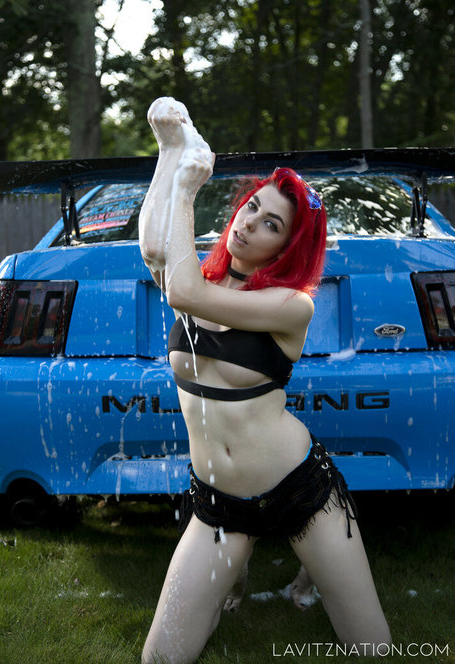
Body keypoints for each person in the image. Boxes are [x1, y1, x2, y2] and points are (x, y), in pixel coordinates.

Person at [139, 97, 391, 664]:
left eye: (271, 224)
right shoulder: (203, 275)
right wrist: (170, 153)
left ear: (287, 247)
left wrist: (187, 189)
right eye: (251, 207)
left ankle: (308, 572)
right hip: (218, 502)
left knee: (372, 647)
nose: (249, 222)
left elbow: (182, 292)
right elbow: (155, 250)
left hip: (299, 490)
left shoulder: (290, 306)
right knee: (160, 659)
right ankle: (248, 568)